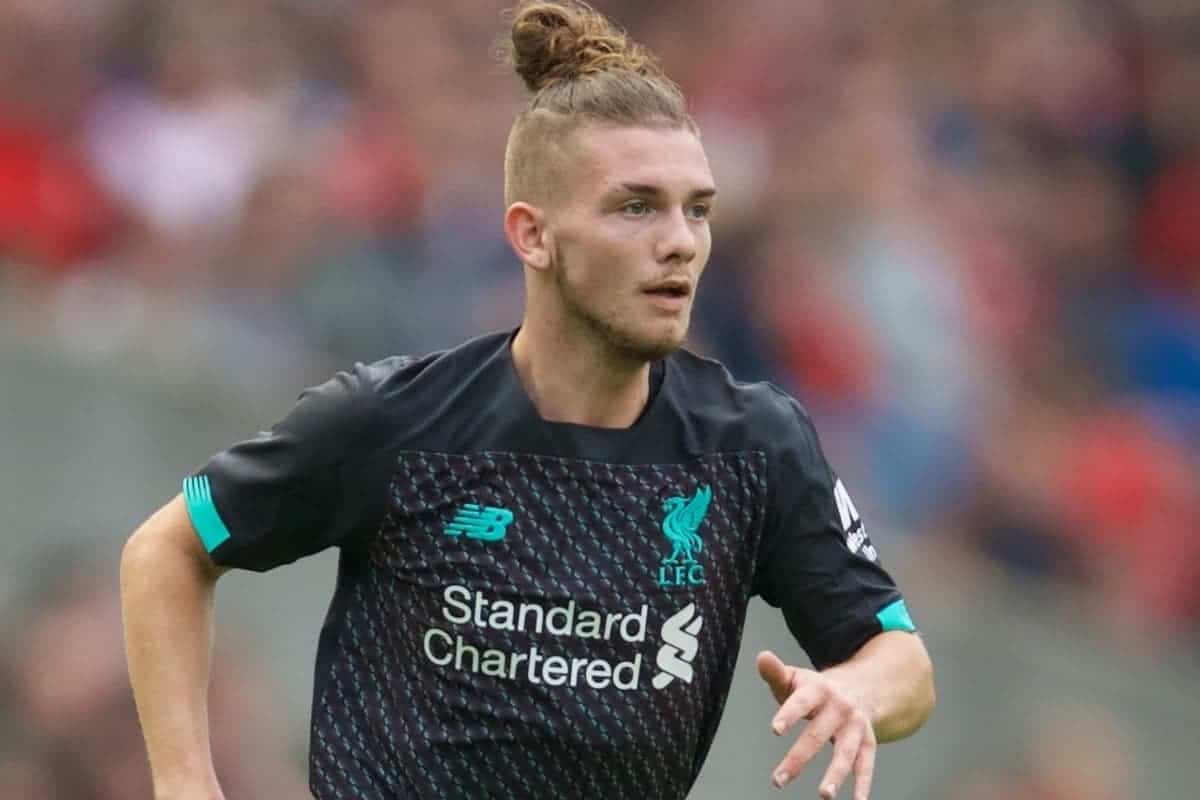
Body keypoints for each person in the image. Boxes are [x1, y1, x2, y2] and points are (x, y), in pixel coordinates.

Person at [120, 2, 935, 799]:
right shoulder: (395, 422)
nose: (680, 240)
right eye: (636, 205)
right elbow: (166, 550)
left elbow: (899, 657)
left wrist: (860, 691)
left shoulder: (754, 446)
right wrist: (186, 782)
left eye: (698, 210)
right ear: (531, 234)